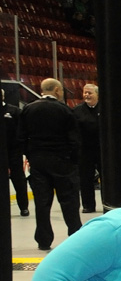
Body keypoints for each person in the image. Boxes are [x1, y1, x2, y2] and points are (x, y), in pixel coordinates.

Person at [19, 78, 81, 251]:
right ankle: (75, 236)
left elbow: (21, 137)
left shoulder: (29, 109)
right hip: (62, 161)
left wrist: (31, 155)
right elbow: (74, 140)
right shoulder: (65, 111)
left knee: (42, 203)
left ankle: (43, 240)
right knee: (69, 201)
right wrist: (73, 160)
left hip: (38, 161)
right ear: (56, 90)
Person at [73, 83, 101, 213]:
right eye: (85, 92)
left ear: (97, 95)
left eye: (90, 93)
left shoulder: (105, 108)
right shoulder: (77, 110)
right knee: (85, 179)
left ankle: (107, 203)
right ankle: (88, 205)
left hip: (102, 150)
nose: (87, 95)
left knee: (105, 178)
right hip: (84, 150)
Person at [2, 88, 29, 216]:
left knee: (19, 181)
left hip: (14, 152)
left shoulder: (14, 111)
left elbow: (22, 131)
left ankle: (24, 207)